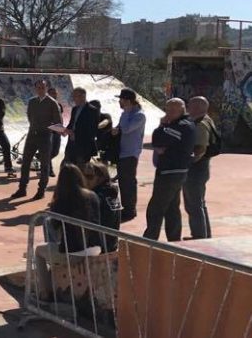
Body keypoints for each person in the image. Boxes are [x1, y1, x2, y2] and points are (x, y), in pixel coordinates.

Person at [33, 164, 101, 299]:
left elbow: (54, 224)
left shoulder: (63, 199)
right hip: (95, 248)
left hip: (73, 252)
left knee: (38, 251)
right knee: (52, 229)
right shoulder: (93, 196)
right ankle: (55, 268)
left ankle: (45, 292)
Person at [143, 98, 196, 242]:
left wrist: (162, 126)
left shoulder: (184, 125)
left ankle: (149, 240)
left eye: (173, 110)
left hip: (171, 172)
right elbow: (159, 143)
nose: (168, 113)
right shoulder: (178, 125)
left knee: (156, 207)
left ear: (182, 110)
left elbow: (157, 139)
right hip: (173, 171)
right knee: (172, 207)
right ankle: (174, 239)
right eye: (167, 109)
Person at [12, 80, 62, 200]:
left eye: (43, 87)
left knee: (44, 165)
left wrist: (47, 128)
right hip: (32, 135)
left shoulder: (52, 103)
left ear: (46, 88)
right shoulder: (32, 101)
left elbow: (58, 122)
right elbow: (30, 117)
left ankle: (41, 190)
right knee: (25, 162)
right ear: (35, 89)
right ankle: (22, 188)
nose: (40, 90)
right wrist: (35, 126)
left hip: (45, 136)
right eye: (38, 87)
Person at [183, 96, 217, 240]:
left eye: (189, 105)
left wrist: (189, 163)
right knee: (199, 203)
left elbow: (201, 148)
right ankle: (204, 234)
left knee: (194, 204)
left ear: (196, 108)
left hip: (196, 169)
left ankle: (199, 235)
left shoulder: (201, 124)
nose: (187, 108)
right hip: (202, 168)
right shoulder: (207, 119)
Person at [111, 88, 146, 222]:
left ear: (128, 101)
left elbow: (126, 129)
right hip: (122, 152)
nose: (119, 102)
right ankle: (126, 207)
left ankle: (130, 210)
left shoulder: (139, 115)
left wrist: (125, 113)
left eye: (121, 100)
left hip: (130, 153)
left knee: (128, 183)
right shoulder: (126, 113)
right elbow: (120, 128)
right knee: (123, 182)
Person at [81, 161, 122, 252]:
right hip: (111, 244)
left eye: (89, 177)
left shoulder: (96, 197)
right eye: (83, 176)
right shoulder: (111, 192)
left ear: (101, 178)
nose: (85, 180)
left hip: (97, 247)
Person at [63, 87, 100, 166]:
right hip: (71, 145)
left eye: (75, 96)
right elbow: (72, 123)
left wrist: (75, 135)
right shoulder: (75, 109)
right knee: (67, 168)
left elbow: (92, 131)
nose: (73, 99)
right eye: (73, 96)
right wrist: (65, 130)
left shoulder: (92, 110)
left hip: (83, 147)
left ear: (83, 96)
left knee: (80, 171)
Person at [47, 87, 63, 178]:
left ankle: (42, 158)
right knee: (49, 151)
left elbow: (60, 118)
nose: (55, 95)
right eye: (52, 93)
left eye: (55, 93)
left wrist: (61, 129)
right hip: (49, 131)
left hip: (57, 131)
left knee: (55, 152)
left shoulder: (59, 105)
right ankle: (49, 169)